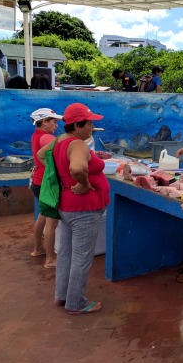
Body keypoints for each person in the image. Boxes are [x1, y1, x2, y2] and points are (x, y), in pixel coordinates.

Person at [37, 103, 110, 315]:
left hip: (67, 206)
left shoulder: (60, 140)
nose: (92, 127)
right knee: (82, 256)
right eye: (90, 123)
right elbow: (78, 168)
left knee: (67, 253)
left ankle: (62, 295)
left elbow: (42, 156)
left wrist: (61, 179)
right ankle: (75, 302)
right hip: (83, 208)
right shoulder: (78, 145)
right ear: (77, 125)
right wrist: (84, 183)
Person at [30, 108, 63, 268]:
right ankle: (50, 259)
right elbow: (62, 152)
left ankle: (38, 249)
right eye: (54, 122)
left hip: (38, 181)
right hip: (47, 183)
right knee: (52, 222)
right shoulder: (47, 138)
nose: (56, 125)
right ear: (44, 122)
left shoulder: (36, 135)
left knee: (42, 216)